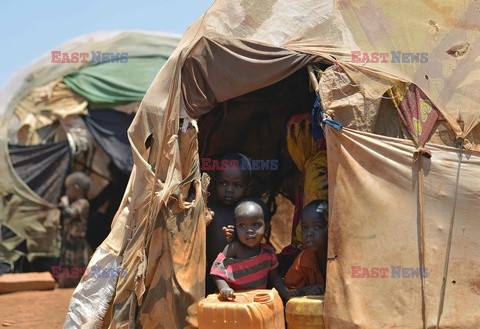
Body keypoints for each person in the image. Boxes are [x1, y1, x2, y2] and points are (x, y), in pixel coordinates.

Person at [210, 199, 290, 302]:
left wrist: (287, 294)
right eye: (242, 225)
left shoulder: (268, 252)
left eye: (255, 225)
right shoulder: (233, 248)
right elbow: (217, 271)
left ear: (266, 228)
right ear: (236, 228)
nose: (249, 231)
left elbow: (275, 278)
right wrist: (224, 288)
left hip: (257, 302)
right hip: (232, 301)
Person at [205, 153, 251, 295]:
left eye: (237, 185)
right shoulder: (209, 210)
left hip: (241, 275)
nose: (229, 189)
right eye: (223, 183)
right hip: (211, 274)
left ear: (248, 187)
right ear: (213, 182)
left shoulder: (248, 211)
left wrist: (238, 235)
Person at [284, 200, 328, 296]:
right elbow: (289, 291)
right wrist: (305, 290)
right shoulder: (303, 259)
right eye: (305, 227)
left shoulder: (344, 258)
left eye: (317, 227)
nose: (309, 233)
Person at [58, 172, 91, 288]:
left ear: (76, 189)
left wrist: (65, 204)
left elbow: (71, 213)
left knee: (76, 264)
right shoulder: (76, 203)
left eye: (68, 188)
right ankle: (65, 285)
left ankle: (76, 287)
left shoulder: (83, 203)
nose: (66, 191)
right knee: (67, 263)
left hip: (76, 240)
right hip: (69, 239)